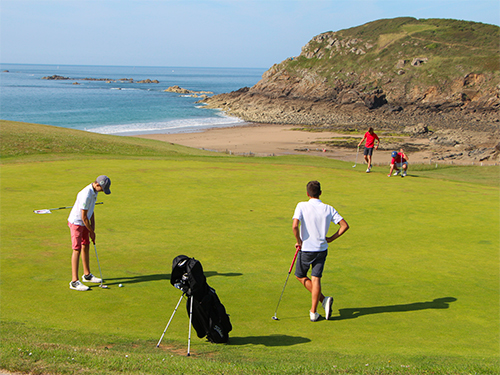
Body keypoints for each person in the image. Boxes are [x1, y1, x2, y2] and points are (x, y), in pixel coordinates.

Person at [292, 181, 349, 321]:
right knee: (316, 278)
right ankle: (314, 312)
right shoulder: (328, 208)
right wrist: (331, 239)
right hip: (321, 249)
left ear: (307, 193)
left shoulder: (302, 205)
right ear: (320, 193)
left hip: (306, 249)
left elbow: (294, 226)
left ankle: (323, 300)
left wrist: (299, 241)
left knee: (300, 275)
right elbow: (344, 226)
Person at [67, 175, 111, 291]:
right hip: (77, 222)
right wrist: (91, 231)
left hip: (85, 222)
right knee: (77, 249)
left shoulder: (94, 192)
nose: (101, 191)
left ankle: (87, 275)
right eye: (102, 189)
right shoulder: (86, 194)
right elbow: (83, 217)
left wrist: (93, 228)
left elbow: (91, 211)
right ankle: (74, 281)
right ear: (97, 184)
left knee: (86, 245)